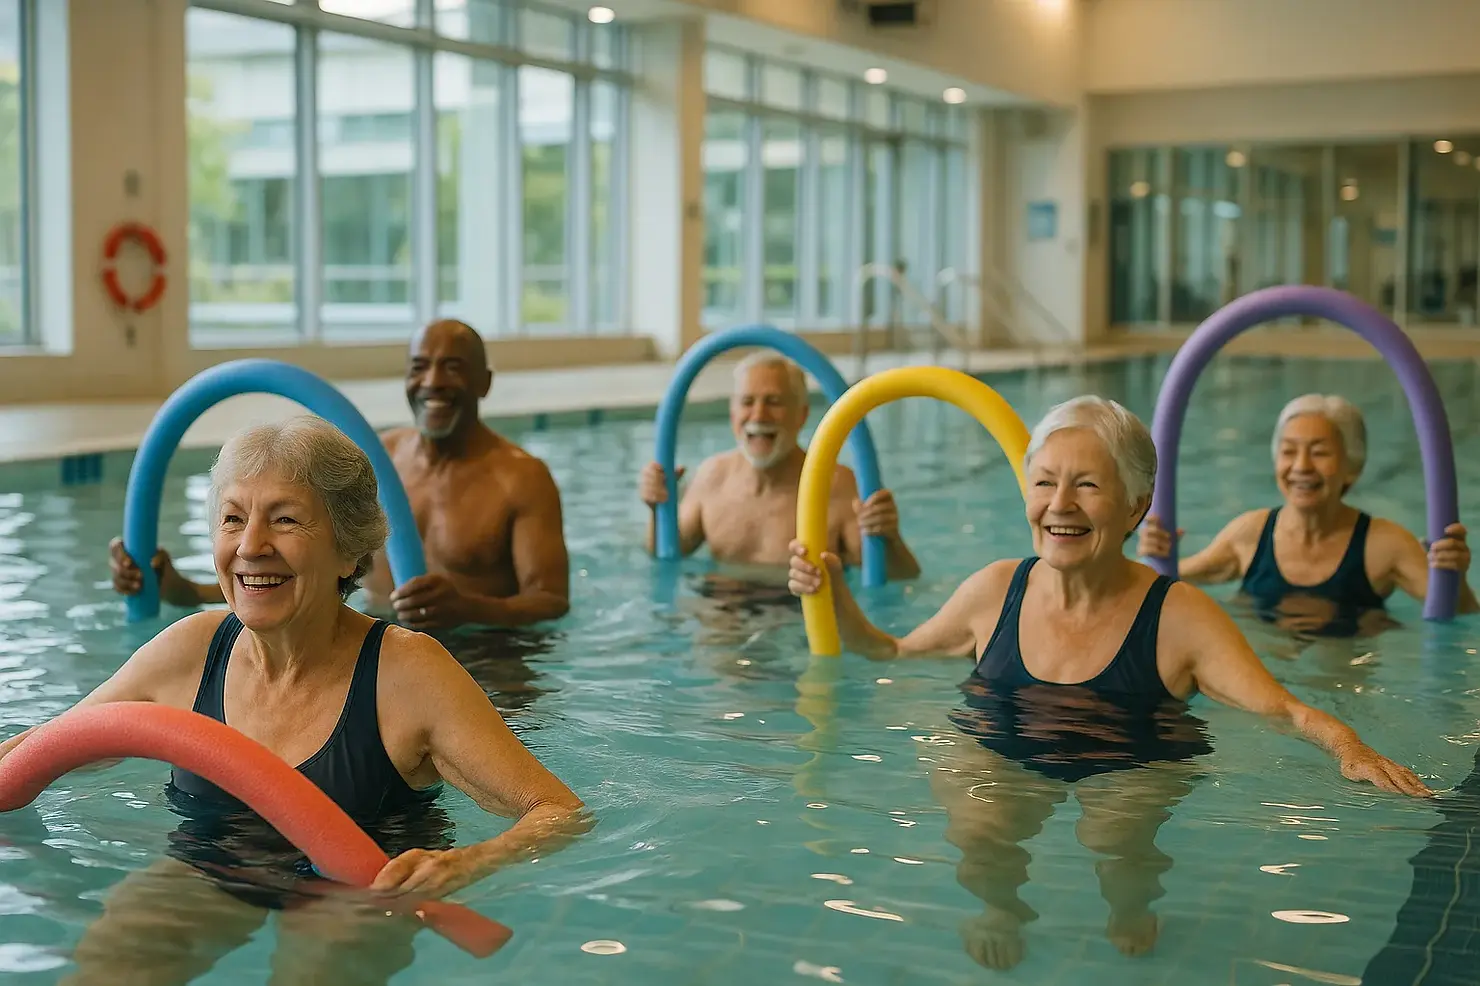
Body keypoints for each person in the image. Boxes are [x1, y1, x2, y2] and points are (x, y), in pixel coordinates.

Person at [786, 395, 1430, 970]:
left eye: (1087, 485)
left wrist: (1350, 748)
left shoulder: (1179, 616)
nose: (1060, 505)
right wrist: (836, 595)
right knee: (980, 830)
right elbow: (892, 651)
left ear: (1135, 506)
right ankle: (1000, 906)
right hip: (1003, 739)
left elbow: (1283, 709)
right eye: (1044, 482)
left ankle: (1130, 903)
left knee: (1115, 839)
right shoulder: (995, 589)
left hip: (1136, 754)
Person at [10, 417, 585, 985]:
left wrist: (468, 862)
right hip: (213, 866)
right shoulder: (190, 651)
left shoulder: (407, 673)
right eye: (233, 519)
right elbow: (48, 746)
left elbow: (558, 811)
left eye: (284, 520)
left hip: (358, 890)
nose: (250, 546)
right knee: (109, 972)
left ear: (348, 551)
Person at [109, 319, 571, 634]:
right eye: (419, 367)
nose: (433, 381)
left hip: (486, 659)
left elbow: (550, 600)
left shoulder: (520, 478)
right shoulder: (379, 458)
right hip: (375, 645)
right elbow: (309, 566)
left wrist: (470, 609)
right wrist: (181, 589)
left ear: (484, 382)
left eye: (453, 368)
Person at [1138, 393, 1476, 636]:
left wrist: (1455, 576)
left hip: (1347, 686)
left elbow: (1459, 615)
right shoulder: (1250, 533)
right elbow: (1165, 583)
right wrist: (1156, 556)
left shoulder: (1385, 545)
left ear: (1352, 467)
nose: (1301, 467)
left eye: (1319, 452)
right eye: (1289, 452)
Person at [638, 351, 920, 582]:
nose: (758, 415)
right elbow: (666, 553)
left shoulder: (837, 486)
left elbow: (898, 578)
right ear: (733, 414)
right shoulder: (712, 476)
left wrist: (890, 536)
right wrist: (656, 509)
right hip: (721, 608)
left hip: (797, 615)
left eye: (774, 402)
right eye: (747, 402)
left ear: (802, 415)